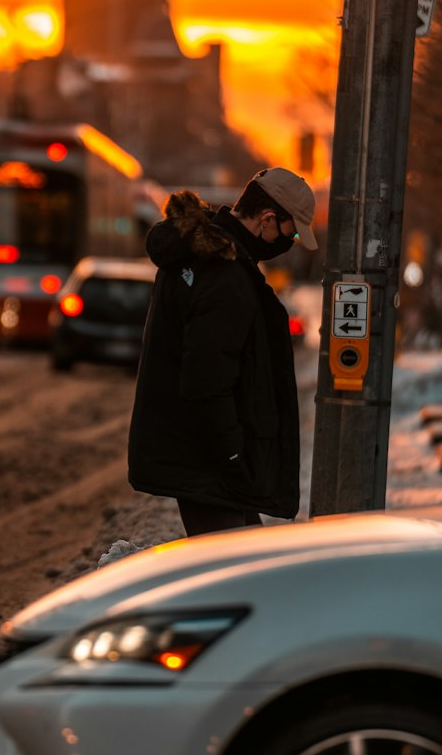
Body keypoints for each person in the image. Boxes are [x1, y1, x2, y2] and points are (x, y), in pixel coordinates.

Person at [127, 167, 318, 537]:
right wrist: (232, 455)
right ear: (266, 219)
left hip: (207, 461)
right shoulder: (224, 276)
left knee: (248, 563)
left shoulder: (208, 261)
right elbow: (206, 377)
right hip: (210, 465)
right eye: (291, 232)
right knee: (234, 574)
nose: (290, 242)